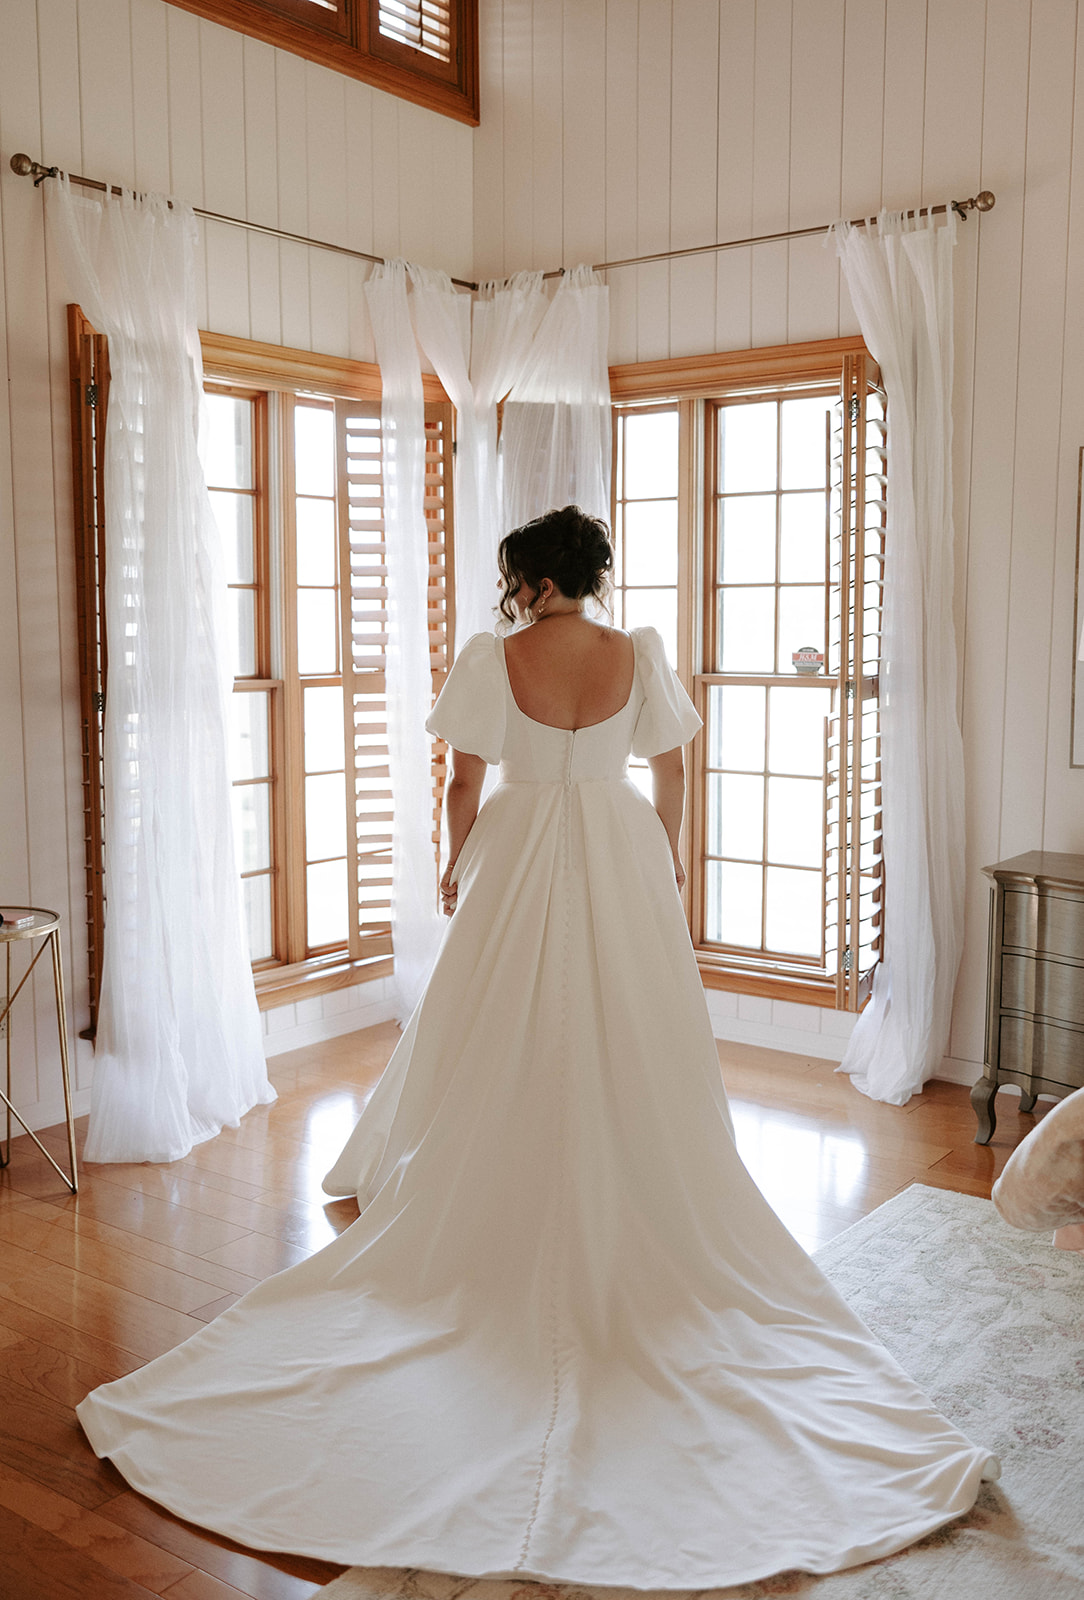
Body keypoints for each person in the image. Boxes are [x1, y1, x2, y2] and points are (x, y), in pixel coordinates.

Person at [76, 506, 996, 1590]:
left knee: (492, 1022)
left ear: (530, 577)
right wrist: (669, 857)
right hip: (615, 841)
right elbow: (672, 773)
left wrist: (460, 860)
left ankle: (497, 1169)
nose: (510, 591)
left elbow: (463, 781)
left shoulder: (494, 658)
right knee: (630, 1024)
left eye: (512, 575)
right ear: (590, 576)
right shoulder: (634, 653)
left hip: (519, 847)